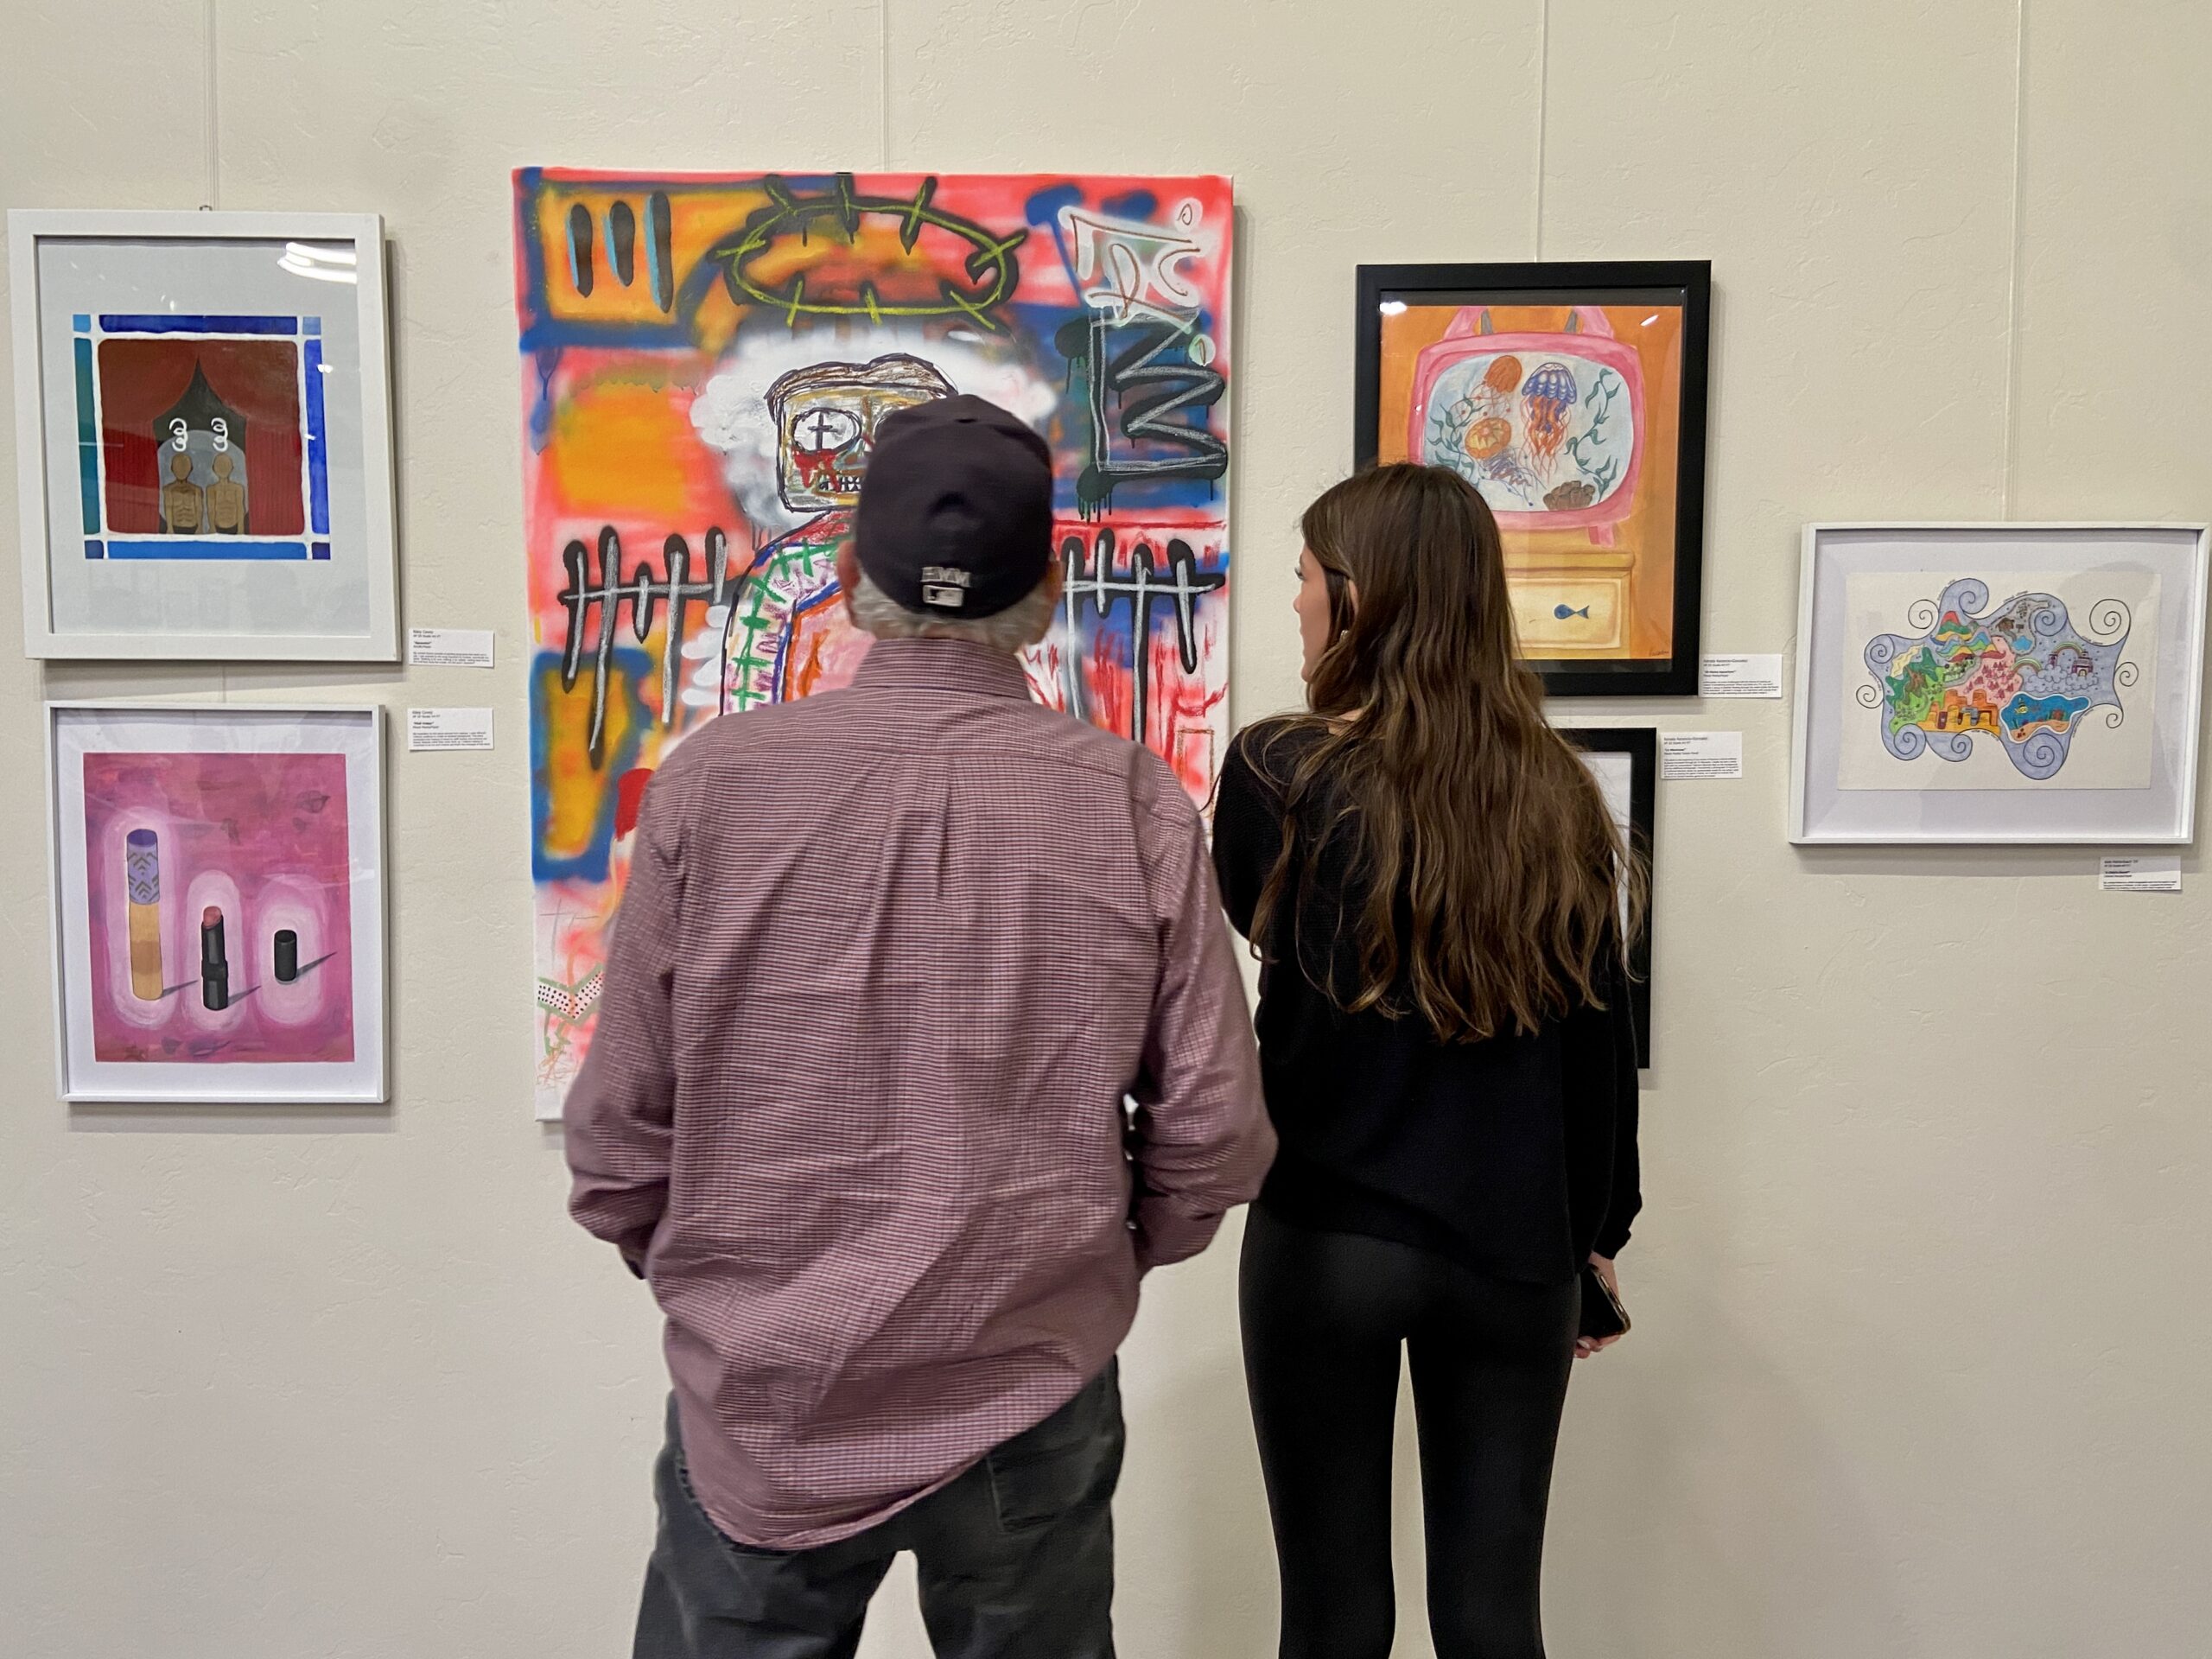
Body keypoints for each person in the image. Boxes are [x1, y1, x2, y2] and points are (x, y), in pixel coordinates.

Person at [565, 392, 1275, 1659]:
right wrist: (1103, 1262)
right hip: (1029, 1374)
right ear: (1049, 588)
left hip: (766, 1391)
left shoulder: (712, 787)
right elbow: (1215, 1130)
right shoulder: (1131, 803)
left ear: (846, 574)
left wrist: (717, 1277)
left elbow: (619, 1129)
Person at [1211, 462, 1643, 1659]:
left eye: (1304, 577)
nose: (1294, 602)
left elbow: (1253, 952)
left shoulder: (1274, 773)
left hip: (1329, 1239)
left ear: (1359, 597)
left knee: (1334, 1613)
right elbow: (1598, 1041)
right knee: (1495, 1614)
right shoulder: (1552, 792)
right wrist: (1597, 1238)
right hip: (1514, 1253)